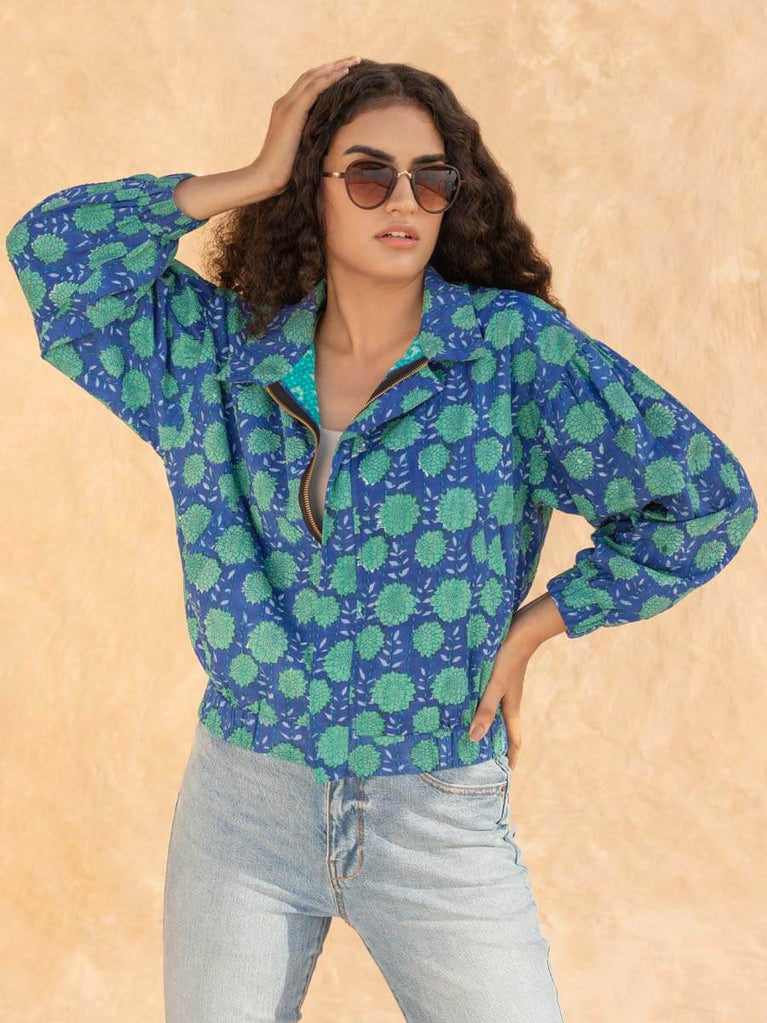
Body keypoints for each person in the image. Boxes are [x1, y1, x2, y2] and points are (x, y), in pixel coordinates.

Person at [6, 57, 758, 1023]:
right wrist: (250, 174)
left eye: (429, 178)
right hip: (242, 802)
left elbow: (702, 500)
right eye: (368, 174)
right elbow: (54, 252)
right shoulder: (218, 356)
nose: (403, 199)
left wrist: (535, 626)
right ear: (309, 188)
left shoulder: (508, 353)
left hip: (433, 807)